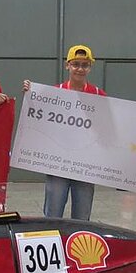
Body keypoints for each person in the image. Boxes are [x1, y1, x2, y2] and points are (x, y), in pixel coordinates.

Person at [22, 44, 106, 220]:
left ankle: (79, 239)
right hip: (57, 163)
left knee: (82, 217)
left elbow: (106, 127)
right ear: (67, 65)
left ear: (90, 67)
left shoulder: (99, 95)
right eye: (75, 64)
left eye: (85, 65)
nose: (80, 69)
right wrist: (31, 94)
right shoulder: (54, 93)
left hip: (85, 165)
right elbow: (38, 117)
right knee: (53, 214)